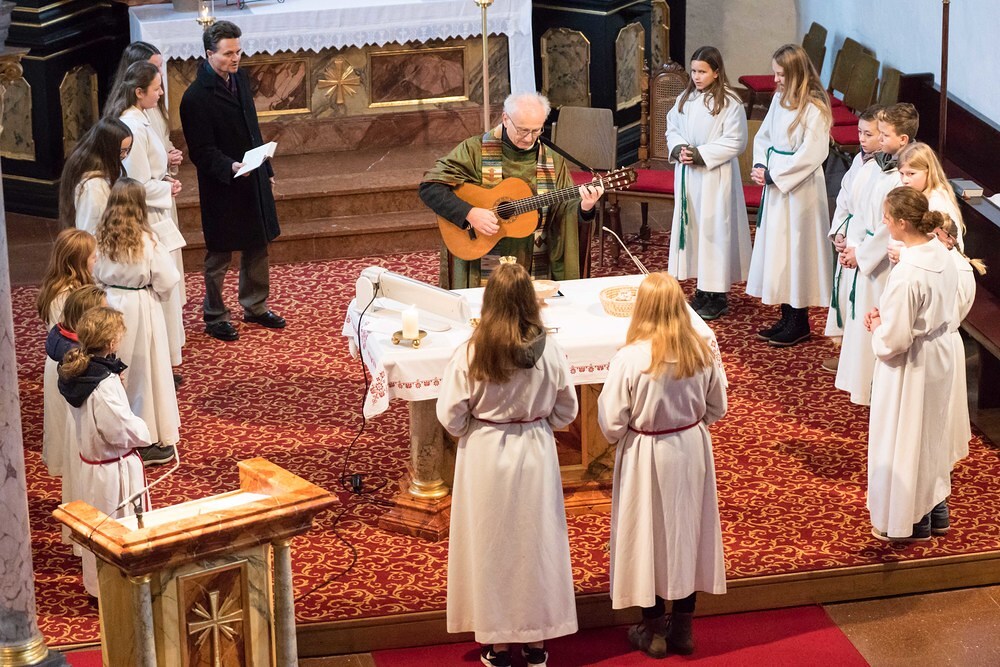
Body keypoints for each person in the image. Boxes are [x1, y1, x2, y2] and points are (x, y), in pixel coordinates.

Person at [436, 262, 579, 667]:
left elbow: (450, 415)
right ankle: (536, 643)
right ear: (530, 301)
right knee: (535, 545)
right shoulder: (550, 350)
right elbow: (567, 410)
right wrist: (537, 422)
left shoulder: (472, 351)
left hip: (486, 454)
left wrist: (477, 427)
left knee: (492, 546)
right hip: (534, 450)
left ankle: (498, 646)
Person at [597, 272, 727, 658]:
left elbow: (611, 423)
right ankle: (683, 628)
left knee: (648, 537)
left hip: (646, 452)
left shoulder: (630, 358)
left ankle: (653, 630)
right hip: (690, 448)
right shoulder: (701, 350)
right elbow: (717, 407)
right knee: (688, 534)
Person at [419, 91, 603, 289]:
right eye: (523, 130)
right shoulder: (474, 151)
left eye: (536, 130)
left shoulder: (552, 160)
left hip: (535, 259)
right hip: (482, 255)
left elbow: (564, 210)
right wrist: (468, 213)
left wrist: (585, 207)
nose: (529, 138)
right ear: (506, 119)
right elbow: (430, 188)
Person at [179, 20, 283, 342]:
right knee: (220, 254)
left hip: (252, 176)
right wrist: (230, 166)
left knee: (257, 244)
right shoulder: (195, 98)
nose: (235, 58)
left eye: (238, 51)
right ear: (209, 53)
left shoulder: (240, 78)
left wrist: (266, 169)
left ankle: (255, 305)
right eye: (227, 53)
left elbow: (252, 129)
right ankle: (215, 315)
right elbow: (201, 151)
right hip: (222, 184)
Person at [866, 187, 958, 542]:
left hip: (911, 364)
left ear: (903, 223)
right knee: (931, 435)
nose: (884, 221)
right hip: (939, 353)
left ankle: (911, 520)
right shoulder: (941, 253)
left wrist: (878, 326)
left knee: (903, 439)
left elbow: (895, 341)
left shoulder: (908, 272)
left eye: (888, 217)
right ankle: (936, 509)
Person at [58, 306, 152, 597]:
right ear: (111, 342)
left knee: (97, 531)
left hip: (93, 464)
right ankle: (116, 591)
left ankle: (98, 586)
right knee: (116, 529)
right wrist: (143, 430)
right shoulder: (103, 384)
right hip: (113, 470)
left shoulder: (78, 369)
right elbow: (118, 429)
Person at [747, 43, 833, 347]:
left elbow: (813, 154)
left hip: (800, 191)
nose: (776, 80)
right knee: (779, 251)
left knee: (797, 251)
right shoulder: (779, 99)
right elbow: (764, 137)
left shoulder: (814, 108)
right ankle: (786, 315)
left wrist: (775, 174)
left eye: (781, 74)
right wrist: (761, 164)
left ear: (797, 73)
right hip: (777, 187)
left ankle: (800, 321)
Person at [105, 60, 187, 377]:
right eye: (156, 88)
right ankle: (159, 360)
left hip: (157, 206)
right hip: (147, 214)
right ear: (139, 92)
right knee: (159, 282)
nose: (161, 93)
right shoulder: (133, 127)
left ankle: (165, 357)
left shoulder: (143, 118)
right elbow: (135, 183)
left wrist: (165, 177)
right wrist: (165, 186)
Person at [93, 178, 180, 466]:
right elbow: (167, 279)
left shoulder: (101, 235)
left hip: (110, 304)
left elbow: (94, 274)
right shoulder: (147, 239)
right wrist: (156, 294)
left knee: (117, 371)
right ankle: (150, 438)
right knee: (146, 373)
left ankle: (118, 433)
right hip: (141, 307)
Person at [835, 103, 918, 405]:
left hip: (881, 261)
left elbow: (889, 225)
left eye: (884, 135)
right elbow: (860, 209)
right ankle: (860, 383)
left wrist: (862, 253)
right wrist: (851, 243)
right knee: (860, 323)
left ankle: (873, 387)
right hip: (863, 250)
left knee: (874, 321)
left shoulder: (900, 176)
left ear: (903, 140)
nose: (879, 140)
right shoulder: (878, 165)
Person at [666, 46, 750, 320]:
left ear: (716, 71)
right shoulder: (685, 99)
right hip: (689, 177)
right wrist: (678, 149)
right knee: (695, 231)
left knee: (715, 232)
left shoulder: (730, 102)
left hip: (715, 177)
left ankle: (718, 295)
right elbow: (672, 128)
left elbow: (736, 141)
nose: (697, 76)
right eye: (693, 71)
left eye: (702, 71)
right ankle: (702, 290)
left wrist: (701, 154)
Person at [44, 285, 108, 546]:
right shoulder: (82, 363)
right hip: (88, 436)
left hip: (75, 426)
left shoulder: (63, 346)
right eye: (104, 312)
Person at [821, 105, 883, 373]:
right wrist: (839, 232)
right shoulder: (859, 160)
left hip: (865, 247)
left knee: (863, 305)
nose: (862, 139)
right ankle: (848, 356)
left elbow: (879, 219)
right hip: (849, 239)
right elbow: (844, 199)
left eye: (869, 134)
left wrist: (858, 247)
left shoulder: (884, 170)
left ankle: (863, 364)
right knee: (847, 300)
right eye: (860, 132)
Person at [36, 229, 98, 478]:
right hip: (70, 362)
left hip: (65, 360)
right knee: (70, 422)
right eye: (93, 257)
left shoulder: (64, 287)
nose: (96, 261)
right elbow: (75, 334)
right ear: (78, 262)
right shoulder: (66, 295)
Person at [58, 117, 132, 232]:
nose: (125, 155)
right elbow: (88, 228)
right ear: (108, 148)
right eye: (122, 151)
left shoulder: (90, 159)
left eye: (128, 150)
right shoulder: (94, 186)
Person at [897, 141, 965, 252]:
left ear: (929, 172)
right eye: (901, 173)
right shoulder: (917, 194)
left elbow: (943, 248)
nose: (905, 180)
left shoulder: (937, 202)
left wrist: (903, 252)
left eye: (911, 174)